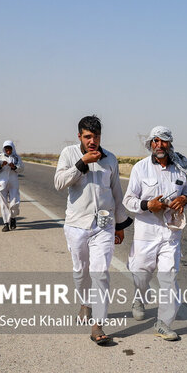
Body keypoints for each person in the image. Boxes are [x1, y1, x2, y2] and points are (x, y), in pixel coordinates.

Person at [54, 115, 132, 345]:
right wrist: (82, 163)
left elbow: (117, 192)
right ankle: (85, 303)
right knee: (80, 271)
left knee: (100, 272)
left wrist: (120, 225)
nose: (92, 141)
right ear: (80, 136)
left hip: (104, 226)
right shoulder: (69, 154)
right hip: (76, 224)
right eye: (88, 136)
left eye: (96, 136)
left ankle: (98, 324)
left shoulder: (111, 160)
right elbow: (59, 183)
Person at [122, 126, 187, 341]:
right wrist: (147, 204)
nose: (159, 145)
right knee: (141, 273)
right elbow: (128, 200)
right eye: (155, 141)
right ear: (150, 144)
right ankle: (139, 298)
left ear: (170, 144)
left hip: (171, 233)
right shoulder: (140, 168)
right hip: (147, 232)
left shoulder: (180, 169)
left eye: (163, 141)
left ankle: (163, 323)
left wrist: (184, 200)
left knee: (168, 277)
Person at [0, 140, 25, 232]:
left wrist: (14, 167)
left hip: (13, 181)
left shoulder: (16, 157)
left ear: (12, 149)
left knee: (14, 202)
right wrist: (1, 166)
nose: (8, 151)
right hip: (2, 182)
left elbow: (22, 168)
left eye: (10, 149)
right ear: (4, 149)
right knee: (3, 203)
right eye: (6, 149)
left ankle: (13, 217)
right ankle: (6, 223)